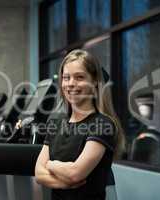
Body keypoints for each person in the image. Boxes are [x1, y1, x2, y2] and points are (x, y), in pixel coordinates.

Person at [35, 49, 125, 200]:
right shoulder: (56, 123)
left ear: (95, 81)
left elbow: (75, 174)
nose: (70, 84)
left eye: (79, 77)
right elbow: (38, 174)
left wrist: (51, 165)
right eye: (66, 77)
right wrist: (65, 182)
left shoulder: (102, 124)